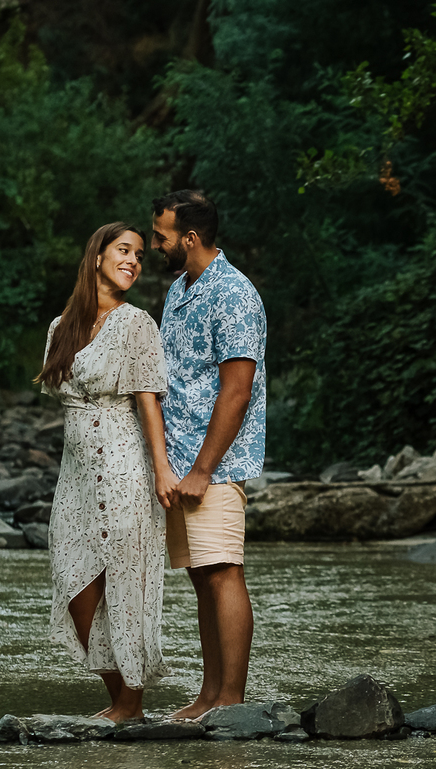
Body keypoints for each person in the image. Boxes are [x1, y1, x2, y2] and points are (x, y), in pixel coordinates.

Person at [37, 221, 177, 722]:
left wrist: (162, 471)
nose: (134, 261)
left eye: (140, 254)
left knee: (124, 583)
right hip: (74, 475)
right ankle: (122, 698)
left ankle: (129, 704)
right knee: (75, 587)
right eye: (124, 250)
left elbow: (148, 401)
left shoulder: (138, 322)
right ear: (96, 255)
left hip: (124, 467)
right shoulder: (62, 327)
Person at [151, 190, 266, 719]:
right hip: (179, 462)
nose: (155, 245)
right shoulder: (178, 290)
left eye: (161, 236)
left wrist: (202, 470)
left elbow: (236, 390)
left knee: (223, 571)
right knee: (202, 574)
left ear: (189, 238)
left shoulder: (235, 294)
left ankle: (233, 703)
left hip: (213, 466)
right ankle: (209, 695)